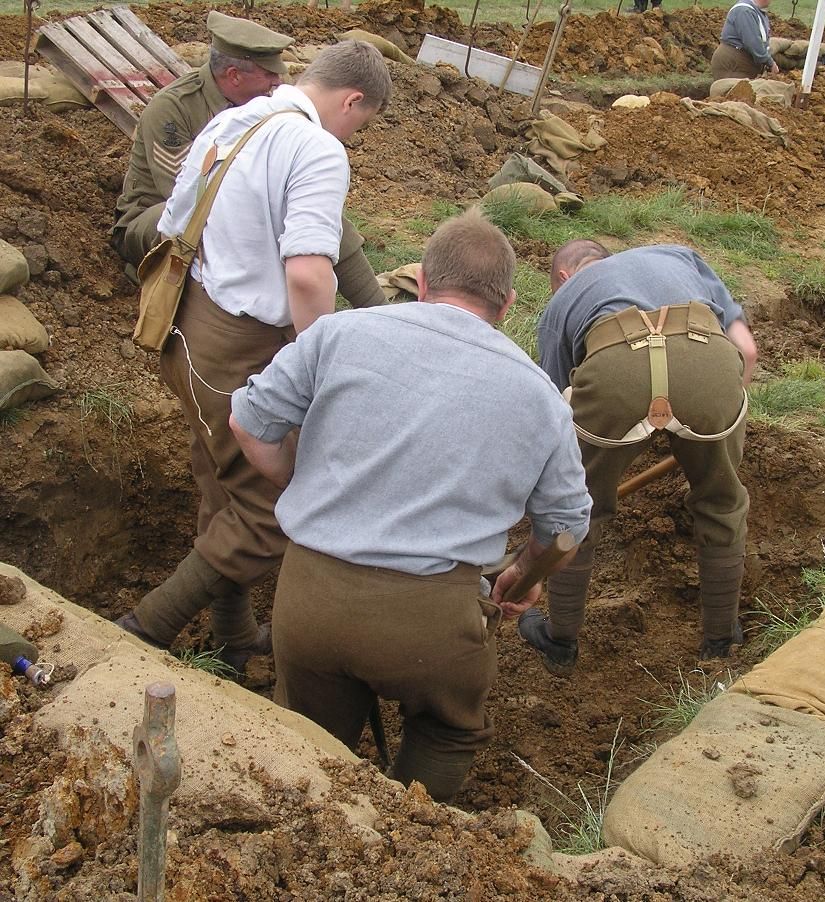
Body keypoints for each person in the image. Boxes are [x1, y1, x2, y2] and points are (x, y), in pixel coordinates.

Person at [228, 209, 592, 800]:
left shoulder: (339, 333)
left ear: (421, 282)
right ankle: (407, 838)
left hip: (311, 600)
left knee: (309, 747)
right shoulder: (538, 394)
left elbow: (249, 424)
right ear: (506, 306)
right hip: (431, 624)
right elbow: (567, 529)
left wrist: (306, 484)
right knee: (449, 731)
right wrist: (524, 576)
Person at [114, 41, 393, 671]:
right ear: (352, 100)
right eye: (363, 121)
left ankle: (234, 637)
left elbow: (173, 221)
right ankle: (144, 628)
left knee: (224, 487)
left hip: (188, 331)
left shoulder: (237, 119)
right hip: (238, 351)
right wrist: (318, 370)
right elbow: (309, 277)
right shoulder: (319, 148)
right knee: (272, 510)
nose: (357, 134)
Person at [519, 241, 758, 675]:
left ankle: (561, 643)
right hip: (707, 359)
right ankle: (722, 641)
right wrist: (716, 409)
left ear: (564, 278)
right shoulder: (679, 255)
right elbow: (748, 349)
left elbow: (554, 413)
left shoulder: (561, 306)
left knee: (580, 508)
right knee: (722, 503)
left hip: (615, 371)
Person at [112, 10, 384, 308]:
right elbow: (192, 196)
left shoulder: (266, 109)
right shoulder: (173, 108)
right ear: (234, 75)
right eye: (268, 74)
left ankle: (377, 310)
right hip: (153, 219)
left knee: (310, 210)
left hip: (217, 211)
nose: (278, 81)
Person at [711, 0, 780, 80]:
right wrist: (770, 63)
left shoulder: (757, 11)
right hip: (733, 65)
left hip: (742, 65)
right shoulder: (744, 11)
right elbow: (753, 43)